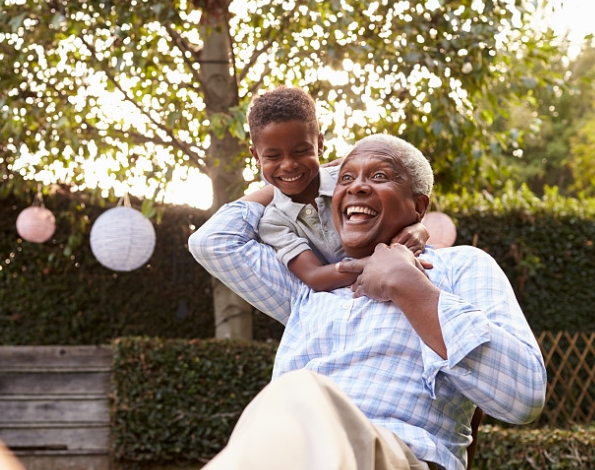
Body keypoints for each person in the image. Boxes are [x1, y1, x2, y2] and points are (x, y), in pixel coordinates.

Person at [188, 133, 546, 470]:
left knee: (298, 393)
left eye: (379, 175)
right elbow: (213, 241)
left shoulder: (461, 266)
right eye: (345, 179)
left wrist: (407, 285)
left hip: (398, 456)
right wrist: (298, 176)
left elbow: (523, 395)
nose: (356, 186)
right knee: (286, 406)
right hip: (299, 447)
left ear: (418, 206)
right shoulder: (310, 285)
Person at [248, 87, 429, 291]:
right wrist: (377, 263)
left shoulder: (352, 181)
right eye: (273, 157)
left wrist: (418, 228)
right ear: (256, 156)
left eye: (301, 151)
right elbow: (314, 276)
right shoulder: (274, 221)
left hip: (411, 275)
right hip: (352, 297)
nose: (289, 165)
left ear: (319, 144)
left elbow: (403, 206)